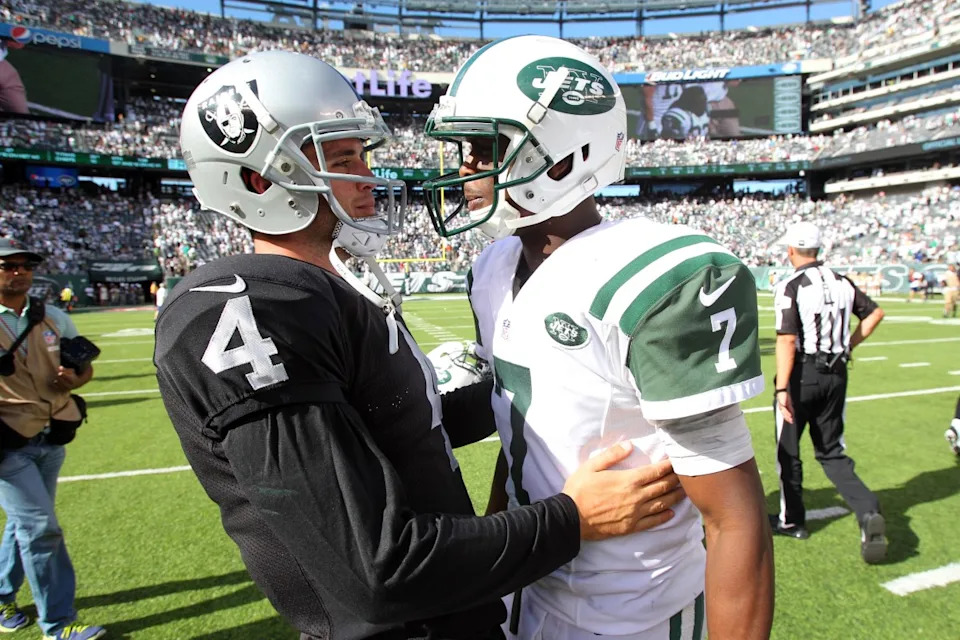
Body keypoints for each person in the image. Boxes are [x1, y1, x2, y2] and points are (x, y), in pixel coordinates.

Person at [156, 50, 684, 640]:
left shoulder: (330, 288)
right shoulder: (245, 308)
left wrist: (546, 379)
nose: (366, 175)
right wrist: (573, 519)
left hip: (461, 613)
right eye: (342, 157)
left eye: (362, 153)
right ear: (262, 181)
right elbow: (378, 572)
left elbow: (398, 427)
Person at [421, 36, 773, 640]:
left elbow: (734, 518)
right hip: (528, 590)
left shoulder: (658, 281)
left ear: (560, 157)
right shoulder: (491, 269)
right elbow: (516, 443)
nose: (464, 169)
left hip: (635, 612)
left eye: (484, 150)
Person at [0, 238, 104, 640]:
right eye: (8, 266)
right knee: (40, 528)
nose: (18, 272)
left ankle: (3, 595)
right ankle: (58, 624)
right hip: (8, 441)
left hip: (50, 432)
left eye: (24, 266)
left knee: (22, 524)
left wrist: (76, 378)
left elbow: (84, 369)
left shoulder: (54, 317)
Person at [771, 221, 887, 563]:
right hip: (837, 374)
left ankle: (792, 521)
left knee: (788, 450)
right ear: (818, 250)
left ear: (791, 250)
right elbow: (875, 314)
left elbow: (787, 340)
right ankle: (868, 511)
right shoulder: (843, 281)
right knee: (832, 451)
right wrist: (847, 345)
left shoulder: (791, 284)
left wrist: (781, 386)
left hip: (802, 375)